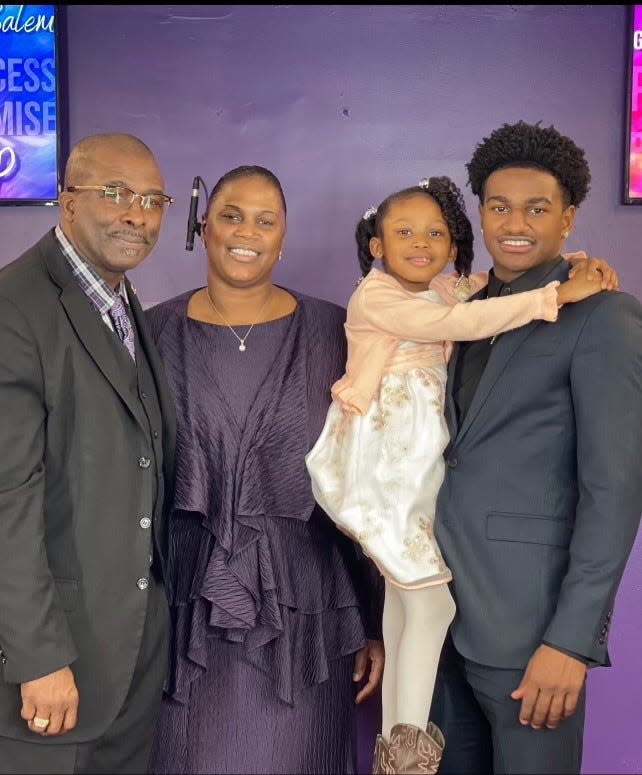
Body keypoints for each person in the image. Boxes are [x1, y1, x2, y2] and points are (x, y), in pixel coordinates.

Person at [305, 175, 614, 775]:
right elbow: (469, 321)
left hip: (419, 464)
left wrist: (567, 268)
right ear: (375, 244)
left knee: (409, 599)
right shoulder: (376, 297)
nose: (422, 243)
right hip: (387, 456)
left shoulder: (442, 289)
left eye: (437, 233)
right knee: (428, 603)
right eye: (404, 232)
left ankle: (398, 747)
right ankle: (408, 750)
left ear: (451, 245)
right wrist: (554, 298)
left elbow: (475, 290)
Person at [146, 164, 385, 775]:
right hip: (185, 617)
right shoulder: (151, 333)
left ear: (284, 235)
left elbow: (377, 476)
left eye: (264, 219)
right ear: (203, 227)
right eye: (230, 215)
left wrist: (380, 619)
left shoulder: (337, 330)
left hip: (307, 615)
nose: (245, 231)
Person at [429, 120, 642, 775]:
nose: (514, 222)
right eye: (498, 206)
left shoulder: (603, 316)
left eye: (537, 208)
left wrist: (571, 640)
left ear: (568, 218)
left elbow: (614, 490)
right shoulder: (456, 309)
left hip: (530, 636)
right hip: (434, 624)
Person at [0, 133, 177, 774]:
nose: (138, 213)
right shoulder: (14, 308)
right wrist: (40, 657)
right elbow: (6, 502)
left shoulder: (126, 304)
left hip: (129, 664)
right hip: (51, 673)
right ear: (66, 202)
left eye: (152, 199)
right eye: (116, 193)